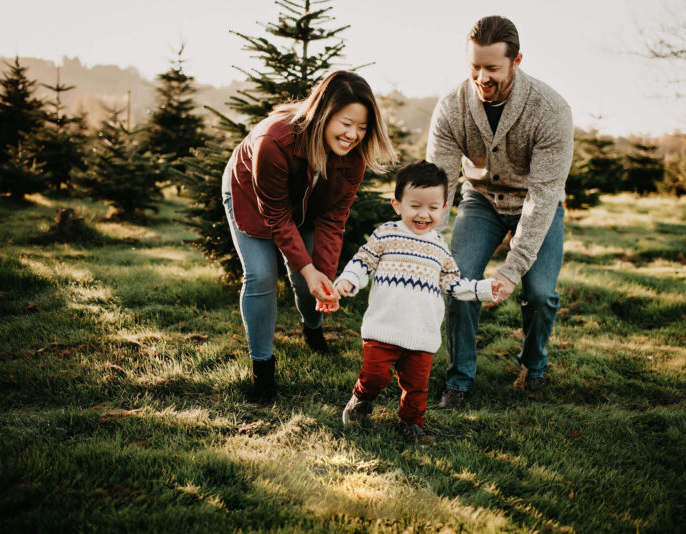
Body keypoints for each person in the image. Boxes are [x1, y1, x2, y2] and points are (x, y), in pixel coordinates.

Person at [222, 71, 397, 403]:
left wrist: (322, 276)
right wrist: (305, 265)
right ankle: (263, 371)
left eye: (362, 127)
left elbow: (333, 218)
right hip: (251, 195)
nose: (353, 135)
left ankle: (313, 329)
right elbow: (276, 215)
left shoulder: (354, 156)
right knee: (260, 276)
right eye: (346, 123)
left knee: (311, 280)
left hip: (305, 202)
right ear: (323, 113)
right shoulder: (274, 141)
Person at [426, 16, 574, 408]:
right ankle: (459, 379)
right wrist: (429, 240)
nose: (481, 77)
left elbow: (543, 197)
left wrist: (511, 270)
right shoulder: (451, 107)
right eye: (475, 66)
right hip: (482, 201)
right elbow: (439, 180)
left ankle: (534, 366)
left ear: (517, 61)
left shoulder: (551, 110)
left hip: (536, 202)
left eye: (492, 68)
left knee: (540, 293)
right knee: (458, 283)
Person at [334, 161, 502, 442]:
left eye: (433, 208)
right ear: (397, 204)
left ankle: (411, 424)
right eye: (415, 206)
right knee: (374, 375)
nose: (424, 214)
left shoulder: (439, 246)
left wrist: (484, 289)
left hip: (421, 332)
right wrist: (348, 280)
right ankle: (361, 398)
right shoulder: (386, 234)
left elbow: (453, 283)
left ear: (444, 208)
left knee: (417, 387)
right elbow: (363, 260)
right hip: (383, 327)